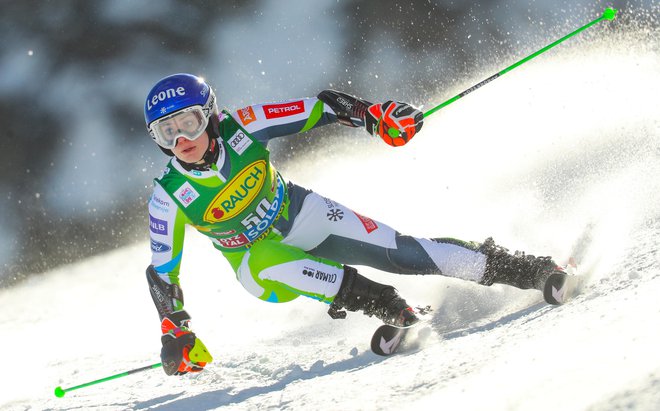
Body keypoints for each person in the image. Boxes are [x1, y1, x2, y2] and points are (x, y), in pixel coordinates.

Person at [143, 73, 567, 376]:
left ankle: (531, 270)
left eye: (189, 123)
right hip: (258, 266)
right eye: (167, 132)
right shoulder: (168, 197)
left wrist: (375, 117)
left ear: (211, 116)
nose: (182, 140)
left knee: (402, 252)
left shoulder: (246, 126)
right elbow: (163, 273)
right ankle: (385, 303)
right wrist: (176, 333)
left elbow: (323, 107)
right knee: (267, 258)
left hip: (301, 213)